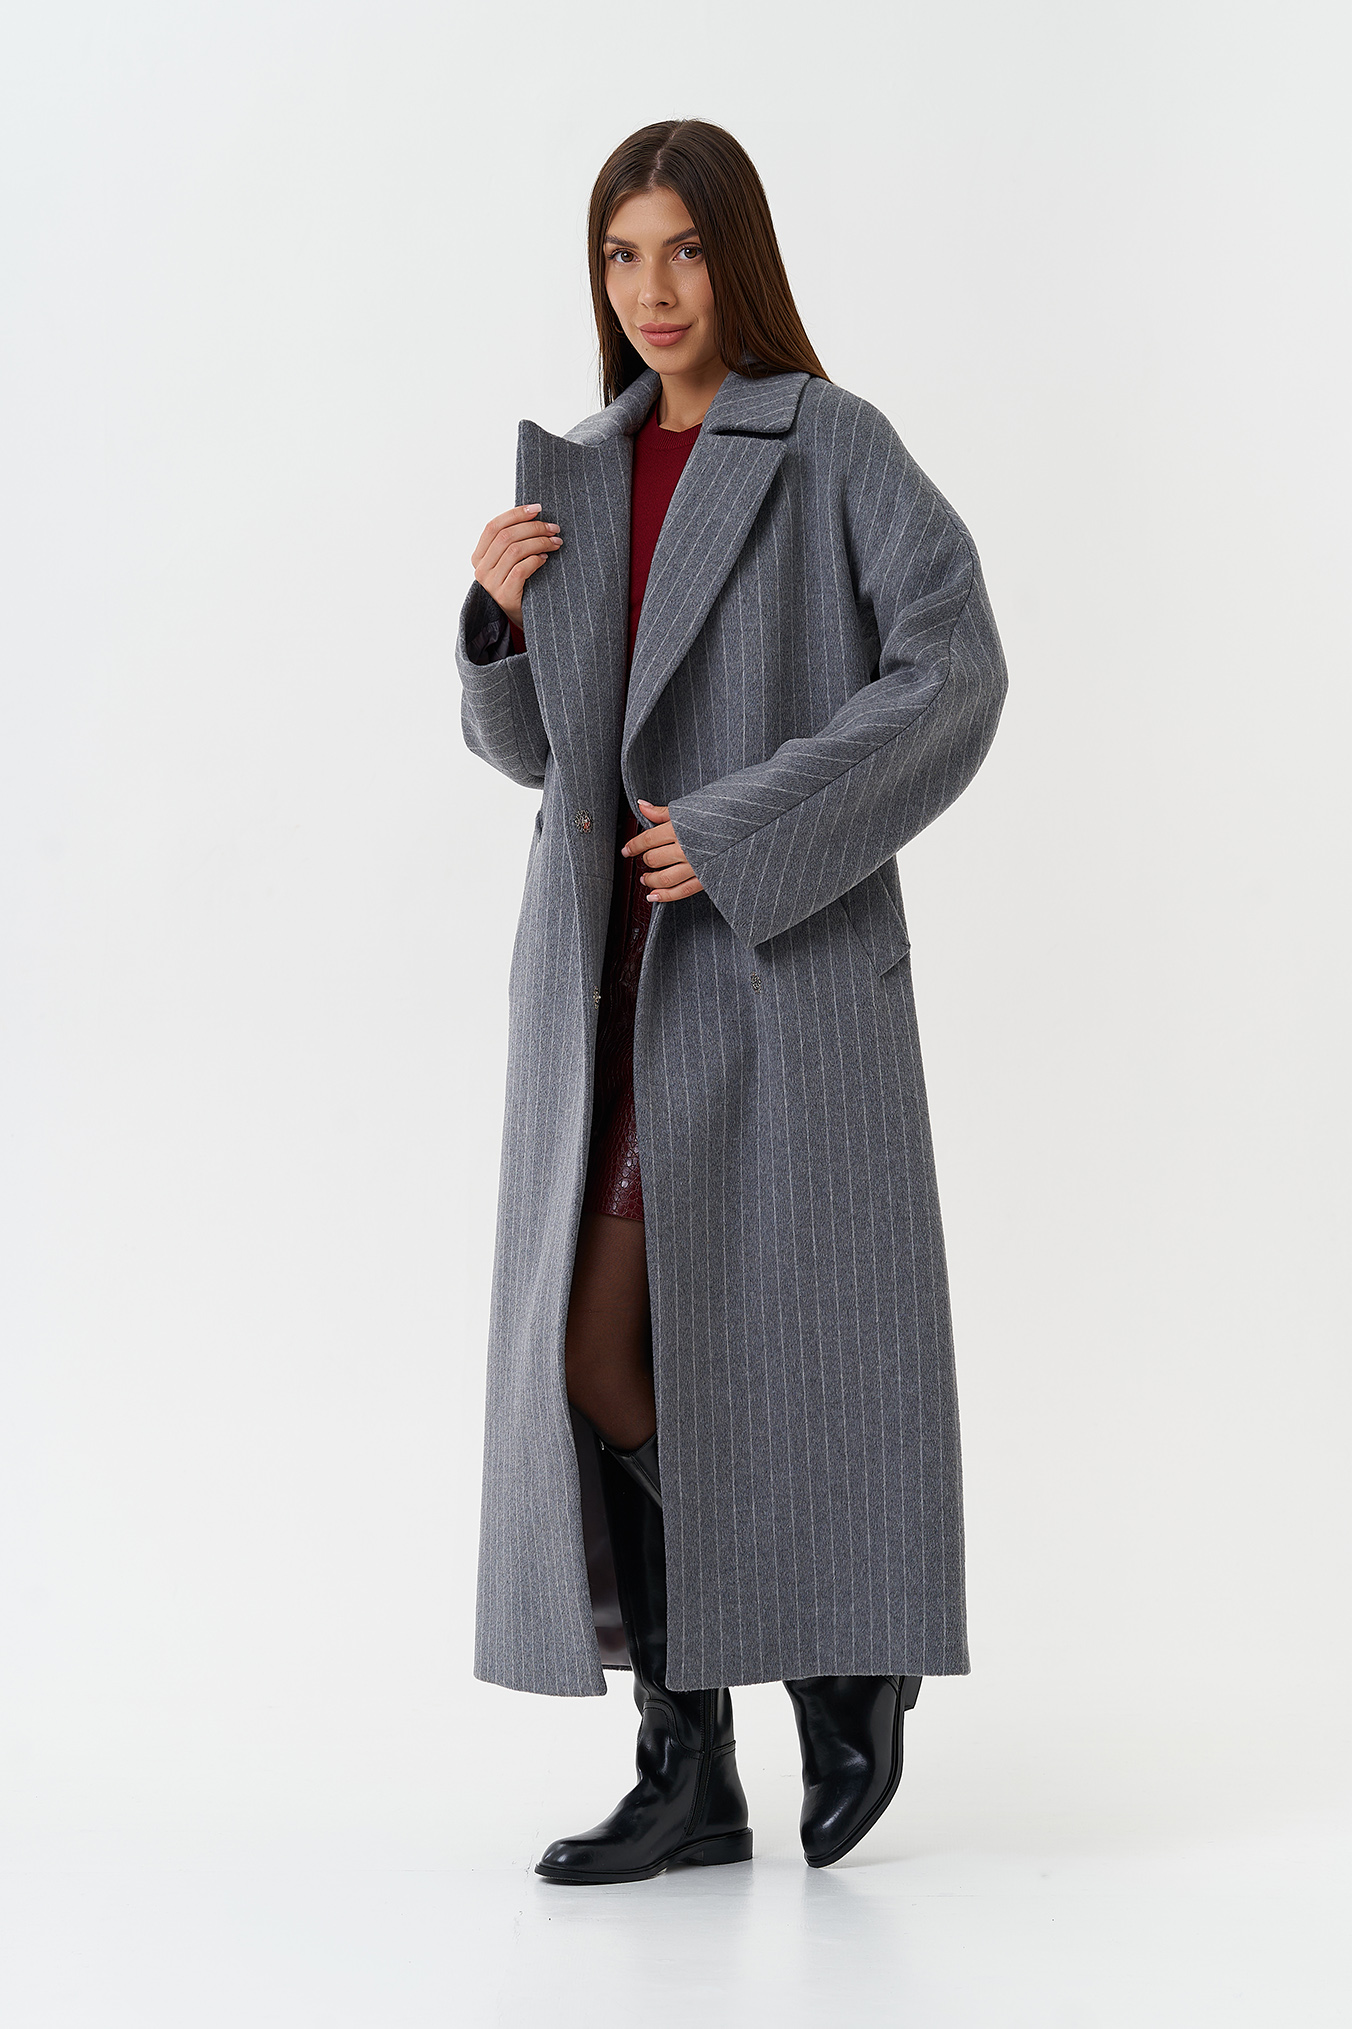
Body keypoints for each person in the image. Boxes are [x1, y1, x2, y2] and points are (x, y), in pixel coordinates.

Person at [455, 118, 1008, 1883]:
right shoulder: (590, 470)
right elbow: (547, 754)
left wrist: (746, 825)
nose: (655, 289)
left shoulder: (829, 442)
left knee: (689, 1342)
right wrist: (495, 626)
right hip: (603, 983)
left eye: (685, 249)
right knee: (592, 1357)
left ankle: (835, 1662)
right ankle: (693, 1763)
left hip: (769, 974)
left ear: (739, 257)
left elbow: (956, 672)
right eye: (623, 255)